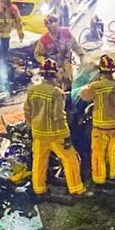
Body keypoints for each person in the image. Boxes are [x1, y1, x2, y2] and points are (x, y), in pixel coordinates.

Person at [25, 58, 87, 198]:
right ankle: (76, 189)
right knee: (70, 159)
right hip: (55, 134)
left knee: (39, 161)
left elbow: (27, 112)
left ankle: (39, 189)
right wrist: (66, 136)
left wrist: (32, 127)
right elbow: (59, 116)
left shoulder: (32, 90)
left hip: (38, 133)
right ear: (54, 75)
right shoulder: (56, 93)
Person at [80, 54, 115, 185]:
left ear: (100, 71)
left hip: (100, 126)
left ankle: (99, 179)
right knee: (113, 152)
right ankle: (112, 175)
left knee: (98, 153)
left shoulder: (95, 86)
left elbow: (84, 97)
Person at [32, 14, 84, 91]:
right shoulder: (44, 40)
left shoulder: (66, 32)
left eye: (57, 26)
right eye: (53, 27)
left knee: (69, 86)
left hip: (67, 65)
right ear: (48, 27)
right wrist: (46, 62)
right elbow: (37, 54)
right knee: (56, 90)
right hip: (54, 70)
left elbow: (74, 44)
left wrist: (81, 54)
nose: (55, 29)